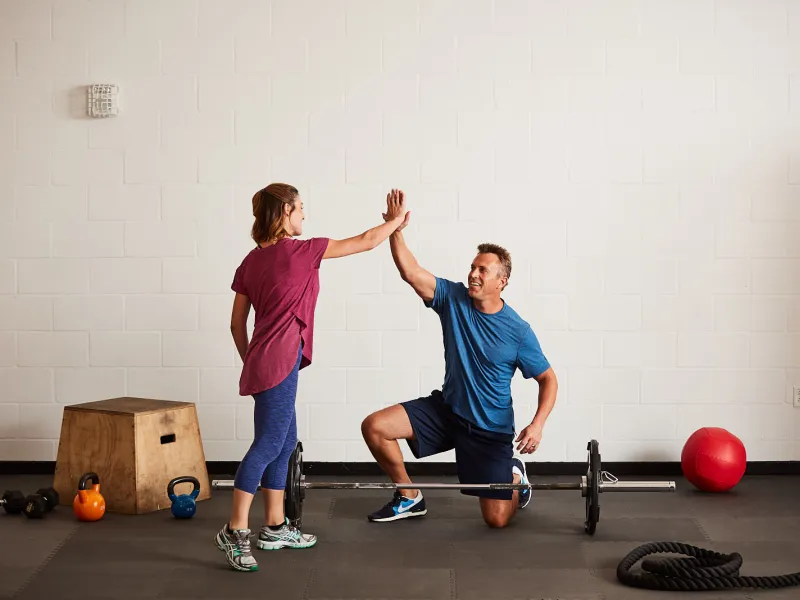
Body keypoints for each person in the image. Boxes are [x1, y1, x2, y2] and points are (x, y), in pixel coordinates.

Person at [215, 183, 408, 572]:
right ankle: (234, 530)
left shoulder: (251, 261)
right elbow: (367, 241)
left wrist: (252, 360)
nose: (305, 214)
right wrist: (397, 221)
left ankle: (274, 526)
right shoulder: (304, 250)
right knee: (269, 443)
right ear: (285, 211)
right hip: (280, 362)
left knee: (284, 443)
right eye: (301, 208)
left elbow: (237, 322)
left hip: (264, 362)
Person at [361, 192, 558, 528]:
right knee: (375, 427)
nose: (473, 274)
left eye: (483, 270)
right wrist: (395, 228)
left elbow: (548, 379)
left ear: (501, 282)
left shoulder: (518, 331)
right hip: (448, 413)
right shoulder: (453, 299)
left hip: (488, 431)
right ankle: (409, 497)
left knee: (496, 521)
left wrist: (537, 424)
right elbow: (411, 272)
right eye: (472, 267)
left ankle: (515, 477)